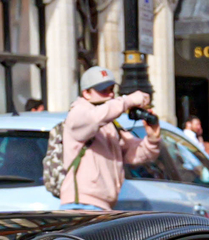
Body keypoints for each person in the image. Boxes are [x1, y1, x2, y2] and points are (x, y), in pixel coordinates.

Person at [58, 64, 159, 210]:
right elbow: (95, 118)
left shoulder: (110, 123)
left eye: (112, 90)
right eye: (103, 91)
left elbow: (135, 154)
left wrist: (153, 137)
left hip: (102, 205)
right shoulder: (78, 113)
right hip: (81, 204)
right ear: (86, 93)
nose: (110, 95)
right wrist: (128, 100)